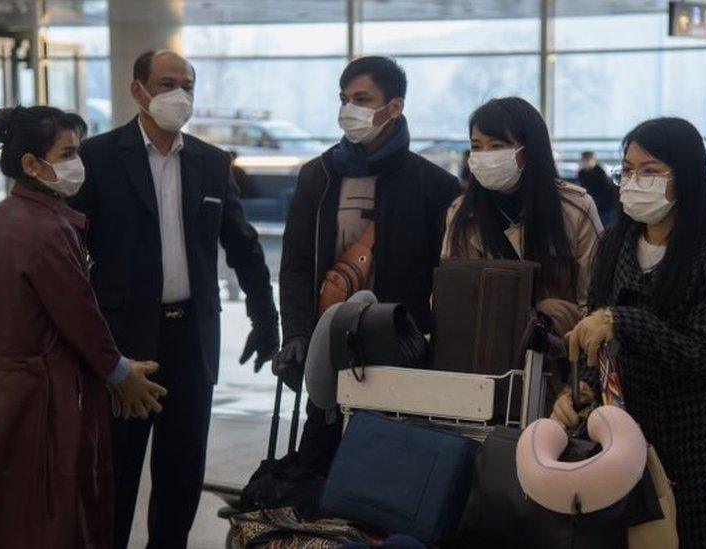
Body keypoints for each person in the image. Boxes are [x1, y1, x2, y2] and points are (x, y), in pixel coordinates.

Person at [70, 50, 279, 548]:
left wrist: (263, 314)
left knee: (182, 475)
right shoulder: (98, 158)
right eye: (166, 83)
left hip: (192, 338)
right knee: (115, 475)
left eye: (187, 84)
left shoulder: (210, 162)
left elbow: (243, 243)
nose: (178, 95)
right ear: (137, 90)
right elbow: (70, 253)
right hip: (125, 341)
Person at [0, 106, 167, 548]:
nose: (78, 164)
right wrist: (120, 374)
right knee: (51, 516)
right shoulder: (47, 231)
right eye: (67, 152)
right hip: (48, 400)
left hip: (5, 393)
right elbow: (79, 317)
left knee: (6, 513)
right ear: (32, 164)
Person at [565, 117, 706, 547]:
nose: (634, 181)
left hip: (699, 451)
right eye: (627, 170)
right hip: (625, 443)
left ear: (685, 177)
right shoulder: (614, 244)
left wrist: (624, 320)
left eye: (650, 171)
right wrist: (578, 391)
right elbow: (598, 343)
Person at [274, 56, 460, 476]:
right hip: (328, 344)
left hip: (398, 349)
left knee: (384, 470)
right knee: (317, 461)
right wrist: (298, 333)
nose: (349, 110)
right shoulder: (317, 176)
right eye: (344, 99)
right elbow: (296, 265)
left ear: (394, 107)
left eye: (362, 98)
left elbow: (446, 281)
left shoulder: (433, 186)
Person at [442, 97, 602, 336]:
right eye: (476, 147)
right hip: (482, 349)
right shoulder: (463, 213)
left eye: (496, 146)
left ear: (529, 150)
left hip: (559, 353)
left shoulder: (575, 209)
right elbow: (450, 293)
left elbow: (593, 300)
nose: (484, 155)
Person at [577, 151, 619, 228]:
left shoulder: (600, 172)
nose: (586, 162)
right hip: (592, 204)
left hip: (606, 206)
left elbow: (606, 191)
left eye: (588, 160)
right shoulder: (582, 173)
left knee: (604, 226)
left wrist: (595, 202)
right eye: (585, 160)